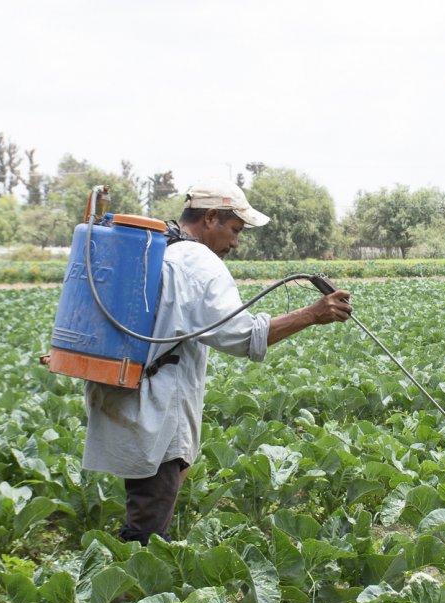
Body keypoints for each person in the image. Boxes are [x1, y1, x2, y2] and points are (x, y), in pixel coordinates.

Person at [82, 179, 352, 545]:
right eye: (235, 230)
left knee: (149, 494)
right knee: (149, 514)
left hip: (121, 388)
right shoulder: (198, 263)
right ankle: (133, 584)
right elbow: (243, 337)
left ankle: (136, 570)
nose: (236, 242)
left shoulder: (160, 248)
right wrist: (312, 314)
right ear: (211, 217)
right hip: (159, 403)